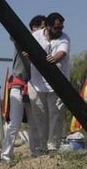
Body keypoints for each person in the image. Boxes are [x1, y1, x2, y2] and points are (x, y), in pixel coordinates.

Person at [30, 12, 71, 153]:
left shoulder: (64, 38)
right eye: (56, 28)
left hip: (57, 84)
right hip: (37, 84)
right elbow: (26, 48)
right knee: (40, 117)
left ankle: (53, 146)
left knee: (56, 116)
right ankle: (42, 147)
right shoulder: (36, 36)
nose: (59, 30)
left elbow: (62, 52)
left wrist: (55, 58)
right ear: (47, 26)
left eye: (61, 27)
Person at [0, 72, 27, 163]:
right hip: (18, 88)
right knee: (15, 124)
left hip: (32, 88)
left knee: (35, 122)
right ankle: (5, 156)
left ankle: (36, 152)